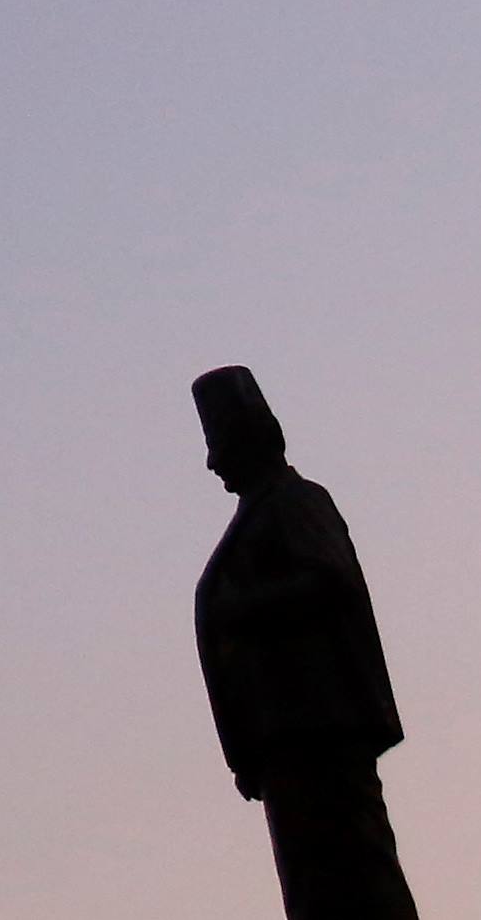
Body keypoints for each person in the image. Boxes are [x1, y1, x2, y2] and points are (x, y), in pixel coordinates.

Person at [190, 365, 420, 920]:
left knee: (353, 868)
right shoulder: (260, 513)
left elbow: (330, 580)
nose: (213, 463)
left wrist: (241, 609)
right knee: (315, 882)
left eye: (219, 443)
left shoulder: (296, 501)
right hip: (284, 739)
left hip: (318, 729)